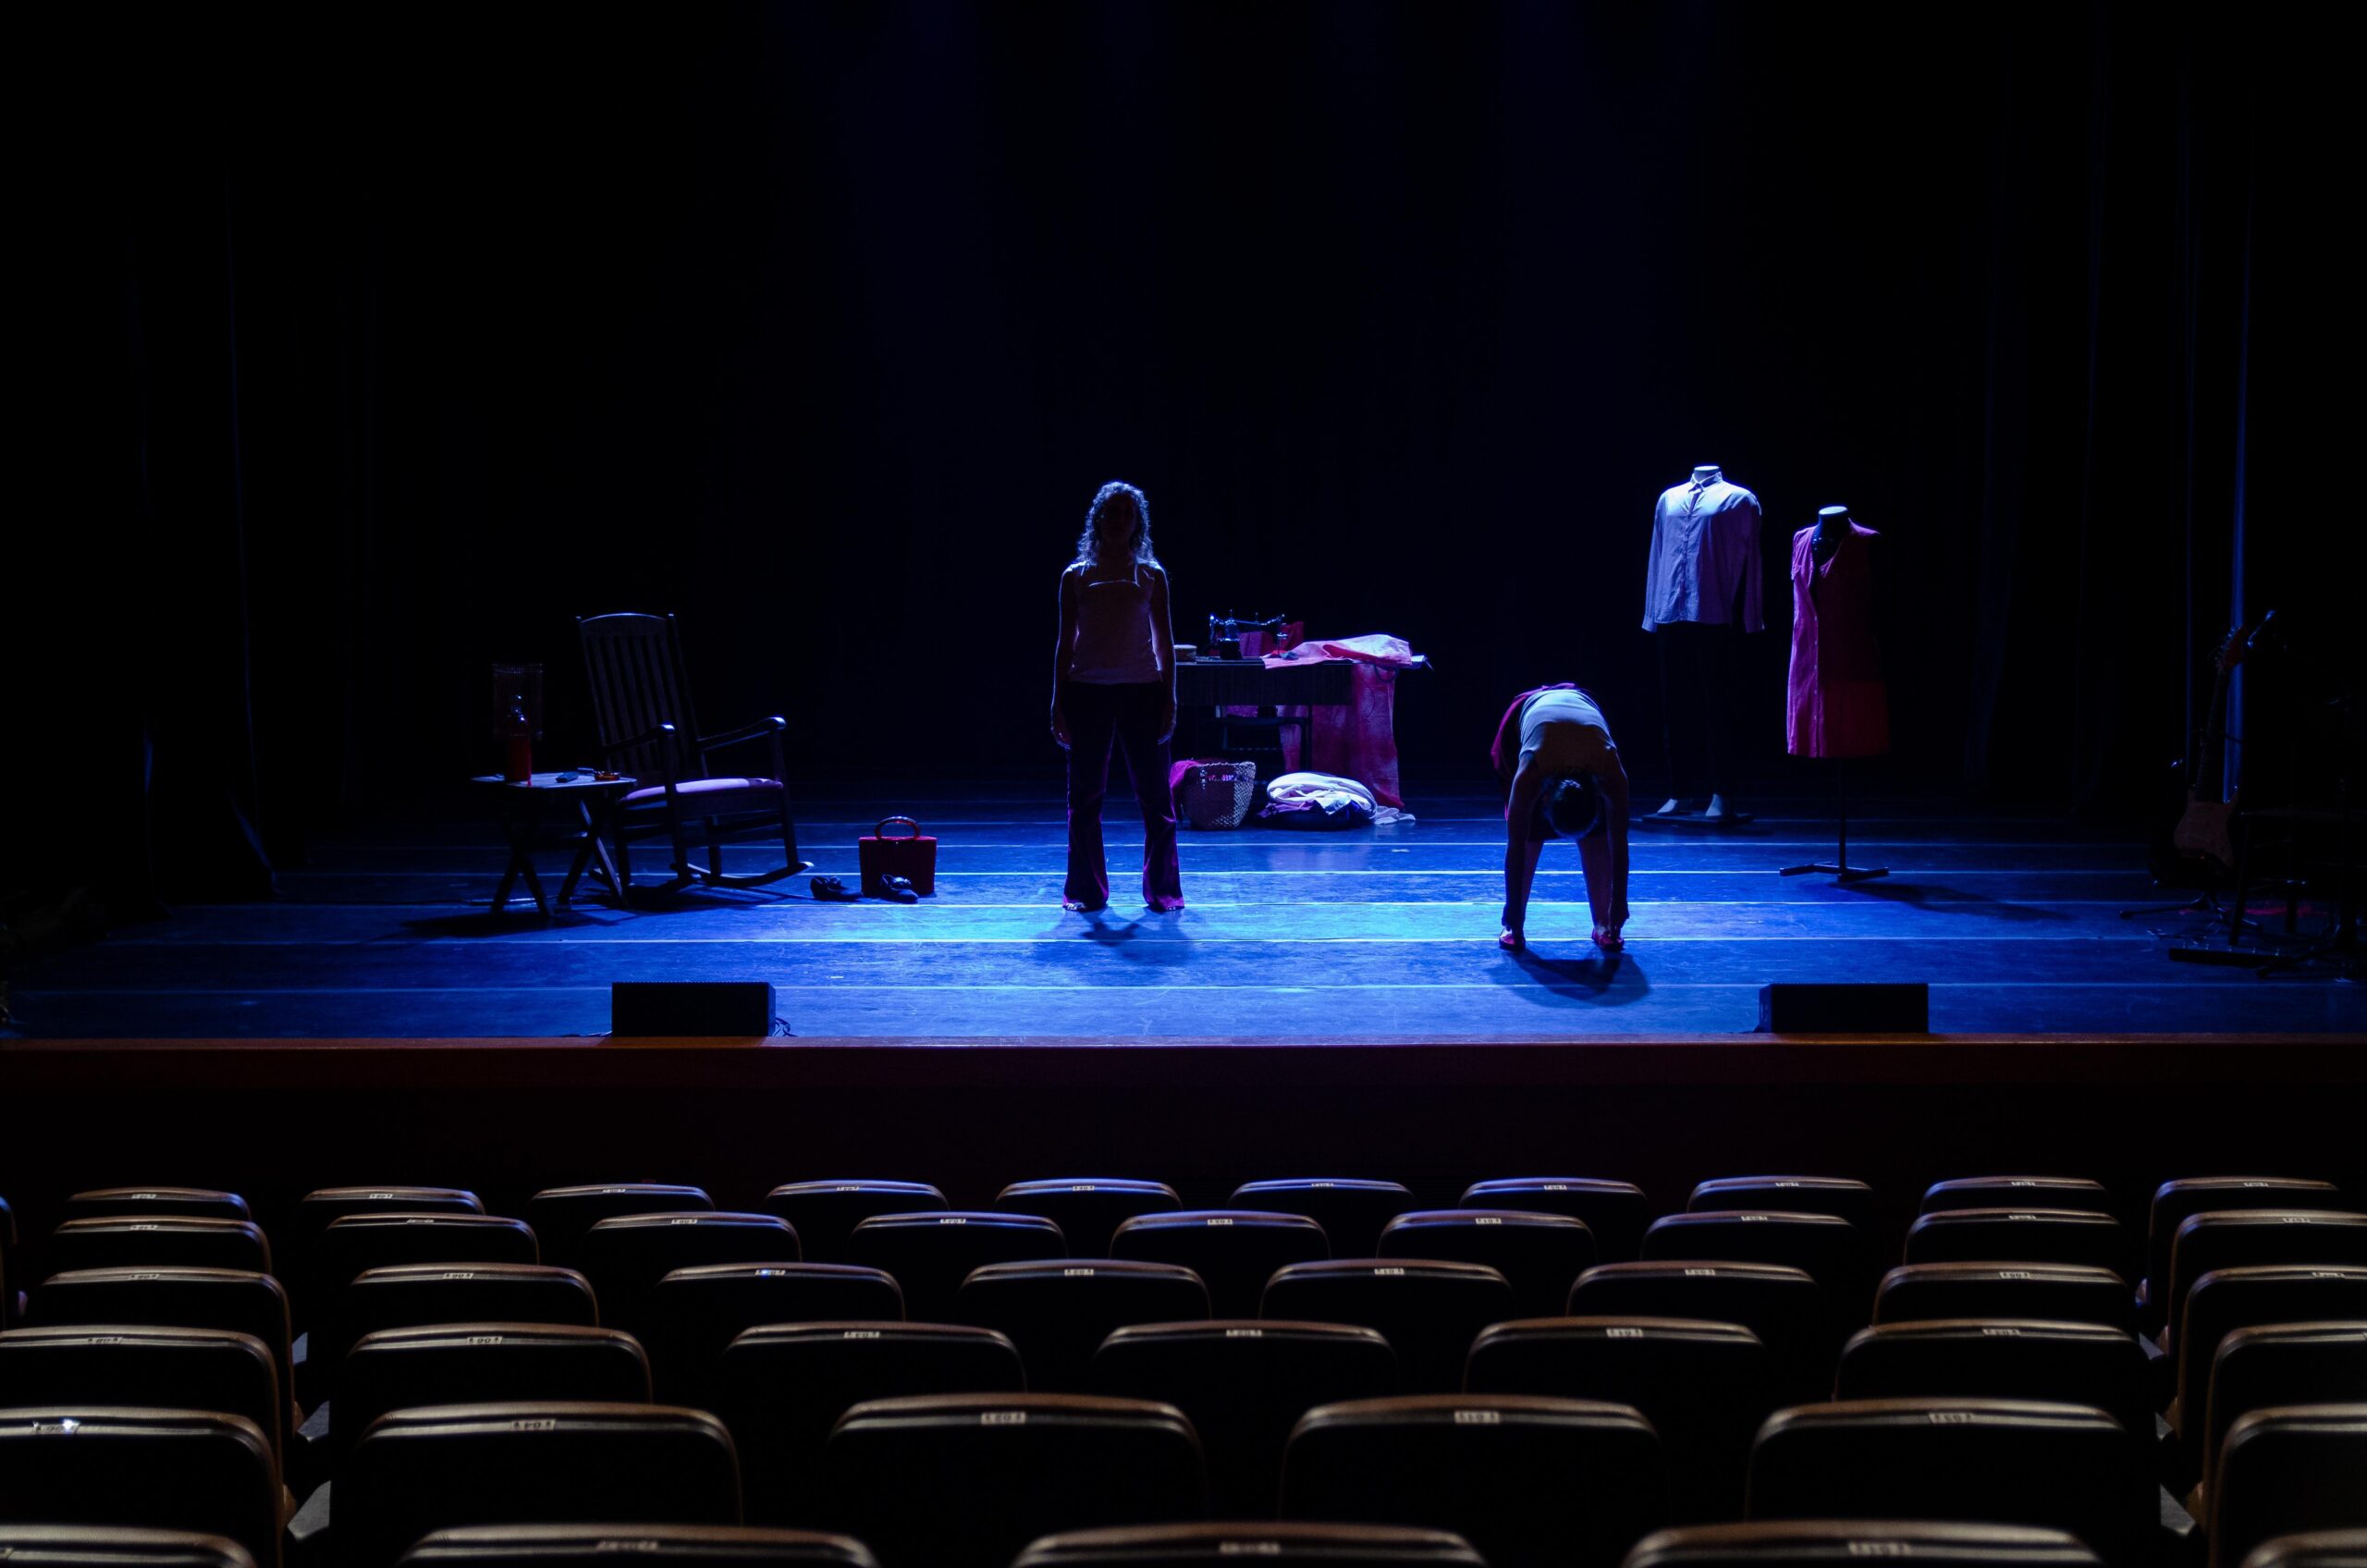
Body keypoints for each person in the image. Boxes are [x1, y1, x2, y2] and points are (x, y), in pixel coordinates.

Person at [1050, 481, 1184, 913]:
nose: (1118, 520)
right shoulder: (1076, 576)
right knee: (1085, 799)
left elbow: (1165, 643)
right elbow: (1064, 643)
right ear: (1098, 519)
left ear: (1136, 524)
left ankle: (1163, 891)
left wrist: (1170, 698)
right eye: (1111, 512)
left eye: (1127, 513)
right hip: (1087, 692)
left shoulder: (1151, 575)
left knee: (1156, 800)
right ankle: (1086, 891)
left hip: (1142, 692)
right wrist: (1057, 701)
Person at [1490, 683, 1632, 950]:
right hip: (1525, 717)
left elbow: (1619, 841)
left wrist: (1620, 902)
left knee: (1597, 835)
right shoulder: (1530, 770)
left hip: (1582, 708)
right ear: (1544, 799)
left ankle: (1603, 922)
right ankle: (1514, 924)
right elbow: (1516, 846)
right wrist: (1512, 908)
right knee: (1528, 834)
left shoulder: (1609, 767)